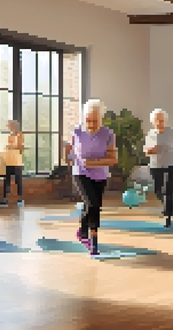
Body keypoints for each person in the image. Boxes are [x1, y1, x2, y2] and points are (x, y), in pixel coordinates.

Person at [66, 99, 118, 255]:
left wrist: (95, 163)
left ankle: (82, 232)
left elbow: (113, 159)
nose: (91, 124)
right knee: (92, 203)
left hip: (101, 175)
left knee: (93, 205)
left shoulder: (108, 134)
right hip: (80, 173)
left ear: (100, 119)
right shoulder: (76, 131)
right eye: (88, 120)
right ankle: (93, 240)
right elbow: (69, 150)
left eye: (95, 121)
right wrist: (68, 158)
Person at [144, 108, 173, 228]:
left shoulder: (172, 132)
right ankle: (165, 204)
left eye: (161, 120)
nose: (159, 123)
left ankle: (168, 216)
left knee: (169, 191)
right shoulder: (150, 134)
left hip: (172, 163)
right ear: (153, 121)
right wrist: (152, 150)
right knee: (157, 190)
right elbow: (146, 152)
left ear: (165, 121)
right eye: (157, 120)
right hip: (156, 165)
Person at [0, 120, 25, 207]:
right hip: (8, 161)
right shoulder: (9, 136)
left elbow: (20, 146)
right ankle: (5, 199)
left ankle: (20, 199)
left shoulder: (20, 135)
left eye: (9, 125)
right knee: (6, 181)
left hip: (17, 162)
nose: (8, 127)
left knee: (18, 181)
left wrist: (11, 146)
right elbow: (6, 146)